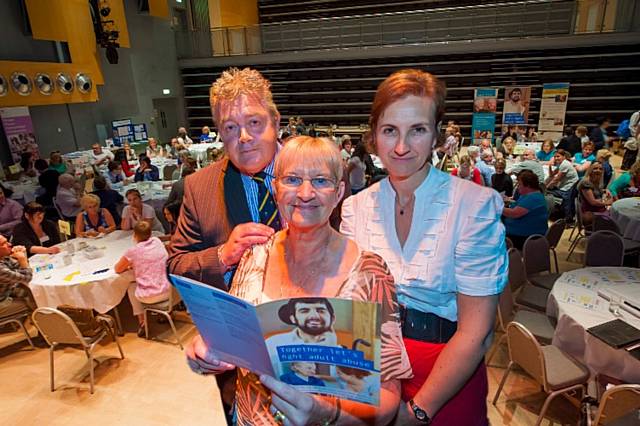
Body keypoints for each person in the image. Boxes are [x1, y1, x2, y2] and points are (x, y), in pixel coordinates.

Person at [186, 136, 412, 425]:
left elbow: (387, 402)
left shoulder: (369, 273)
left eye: (320, 181)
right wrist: (208, 351)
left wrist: (325, 413)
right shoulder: (255, 257)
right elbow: (232, 341)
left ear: (339, 192)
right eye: (292, 179)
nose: (305, 193)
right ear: (276, 188)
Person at [341, 69, 508, 425]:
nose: (401, 147)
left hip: (448, 370)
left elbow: (476, 333)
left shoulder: (474, 205)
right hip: (376, 367)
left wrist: (418, 411)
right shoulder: (356, 207)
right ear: (374, 135)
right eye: (390, 131)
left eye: (417, 130)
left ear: (436, 135)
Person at [169, 68, 285, 423]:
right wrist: (223, 255)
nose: (244, 138)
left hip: (313, 347)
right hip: (239, 366)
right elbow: (175, 267)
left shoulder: (318, 169)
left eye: (254, 122)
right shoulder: (198, 187)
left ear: (276, 122)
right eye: (230, 128)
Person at [114, 220, 171, 336]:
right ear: (151, 233)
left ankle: (142, 322)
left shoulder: (133, 251)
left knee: (132, 285)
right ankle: (165, 314)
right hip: (170, 291)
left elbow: (118, 269)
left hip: (150, 296)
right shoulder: (157, 241)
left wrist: (131, 265)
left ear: (134, 235)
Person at [502, 170, 549, 250]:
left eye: (520, 184)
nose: (517, 187)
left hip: (526, 238)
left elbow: (514, 213)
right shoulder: (531, 195)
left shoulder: (533, 198)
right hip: (525, 232)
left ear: (528, 186)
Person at [0, 235, 34, 318]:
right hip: (2, 300)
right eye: (4, 243)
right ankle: (44, 324)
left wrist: (22, 255)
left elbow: (20, 268)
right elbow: (27, 278)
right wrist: (22, 259)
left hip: (8, 291)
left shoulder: (3, 257)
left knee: (33, 292)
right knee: (34, 300)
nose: (10, 244)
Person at [545, 149, 579, 221]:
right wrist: (550, 166)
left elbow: (556, 179)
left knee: (547, 192)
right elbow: (552, 175)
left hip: (569, 187)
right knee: (549, 190)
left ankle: (567, 218)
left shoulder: (565, 164)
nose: (556, 158)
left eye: (558, 156)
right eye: (555, 157)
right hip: (565, 186)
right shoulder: (561, 164)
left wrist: (545, 188)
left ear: (564, 156)